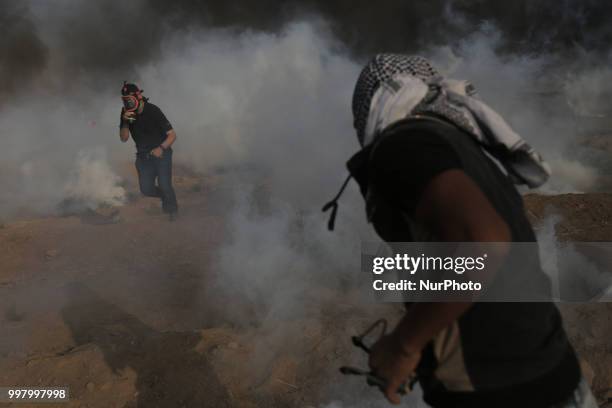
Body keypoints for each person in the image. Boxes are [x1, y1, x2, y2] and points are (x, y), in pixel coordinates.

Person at [325, 55, 595, 407]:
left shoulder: (404, 145)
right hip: (551, 376)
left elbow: (484, 244)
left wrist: (404, 344)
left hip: (497, 390)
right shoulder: (451, 143)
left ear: (371, 105)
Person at [119, 82, 178, 220]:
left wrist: (161, 148)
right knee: (146, 190)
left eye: (130, 98)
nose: (127, 102)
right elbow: (124, 138)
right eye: (124, 99)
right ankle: (165, 196)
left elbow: (172, 135)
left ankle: (172, 209)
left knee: (165, 184)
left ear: (138, 95)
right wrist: (125, 123)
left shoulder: (153, 110)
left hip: (162, 154)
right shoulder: (127, 113)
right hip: (143, 157)